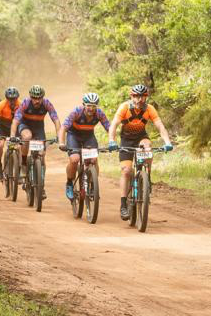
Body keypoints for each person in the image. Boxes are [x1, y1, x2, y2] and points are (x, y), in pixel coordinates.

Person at [107, 84, 173, 220]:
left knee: (148, 147)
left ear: (146, 97)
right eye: (136, 96)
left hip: (141, 137)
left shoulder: (149, 109)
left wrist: (167, 142)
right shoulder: (124, 107)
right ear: (132, 97)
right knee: (126, 171)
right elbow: (114, 124)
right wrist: (111, 141)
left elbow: (160, 126)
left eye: (142, 97)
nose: (139, 99)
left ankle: (147, 177)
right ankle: (123, 204)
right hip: (126, 140)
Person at [10, 85, 60, 199]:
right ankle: (23, 164)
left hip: (38, 128)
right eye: (34, 98)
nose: (37, 100)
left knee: (42, 156)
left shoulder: (47, 103)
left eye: (39, 98)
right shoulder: (26, 103)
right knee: (27, 137)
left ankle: (41, 186)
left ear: (43, 97)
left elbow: (56, 119)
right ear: (30, 97)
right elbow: (16, 120)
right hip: (25, 125)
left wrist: (59, 136)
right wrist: (12, 136)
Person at [58, 93, 110, 200]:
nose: (91, 108)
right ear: (84, 105)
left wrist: (112, 141)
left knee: (94, 160)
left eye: (94, 106)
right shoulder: (76, 111)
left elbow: (109, 128)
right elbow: (63, 128)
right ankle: (69, 183)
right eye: (89, 105)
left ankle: (92, 185)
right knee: (74, 159)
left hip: (88, 136)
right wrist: (61, 143)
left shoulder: (99, 113)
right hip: (74, 136)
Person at [0, 86, 21, 181]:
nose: (12, 101)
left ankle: (19, 169)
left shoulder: (21, 104)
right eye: (10, 99)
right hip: (3, 127)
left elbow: (25, 119)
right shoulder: (1, 104)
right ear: (6, 98)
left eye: (14, 99)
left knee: (18, 146)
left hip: (15, 127)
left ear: (17, 98)